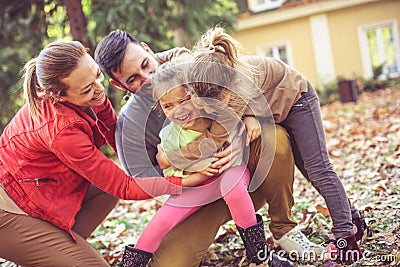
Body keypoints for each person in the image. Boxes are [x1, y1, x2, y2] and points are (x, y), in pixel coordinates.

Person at [95, 30, 326, 266]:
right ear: (118, 84)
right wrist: (189, 172)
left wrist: (248, 118)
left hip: (239, 175)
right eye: (133, 78)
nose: (148, 77)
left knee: (272, 136)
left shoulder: (191, 70)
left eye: (146, 64)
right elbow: (143, 182)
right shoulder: (131, 123)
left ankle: (281, 233)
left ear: (148, 49)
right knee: (170, 263)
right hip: (194, 195)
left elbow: (241, 86)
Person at [0, 41, 212, 267]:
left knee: (104, 192)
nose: (99, 89)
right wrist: (187, 181)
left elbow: (114, 138)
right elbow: (124, 186)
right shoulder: (60, 130)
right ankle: (46, 252)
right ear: (58, 96)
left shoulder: (82, 91)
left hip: (37, 192)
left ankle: (53, 254)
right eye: (87, 89)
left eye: (97, 76)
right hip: (9, 211)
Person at [182, 26, 368, 266]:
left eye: (219, 102)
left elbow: (215, 139)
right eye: (205, 104)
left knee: (317, 170)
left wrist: (172, 156)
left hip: (296, 101)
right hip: (272, 109)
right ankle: (352, 216)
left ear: (231, 86)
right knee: (311, 171)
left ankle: (347, 236)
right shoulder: (204, 78)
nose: (211, 109)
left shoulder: (237, 86)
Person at [120, 60, 293, 266]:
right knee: (161, 221)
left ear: (195, 95)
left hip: (230, 171)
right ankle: (131, 264)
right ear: (161, 107)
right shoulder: (168, 136)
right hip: (196, 186)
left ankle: (260, 255)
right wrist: (196, 171)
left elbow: (235, 130)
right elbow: (170, 174)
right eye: (168, 106)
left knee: (233, 190)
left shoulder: (216, 115)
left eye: (184, 100)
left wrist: (250, 117)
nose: (179, 110)